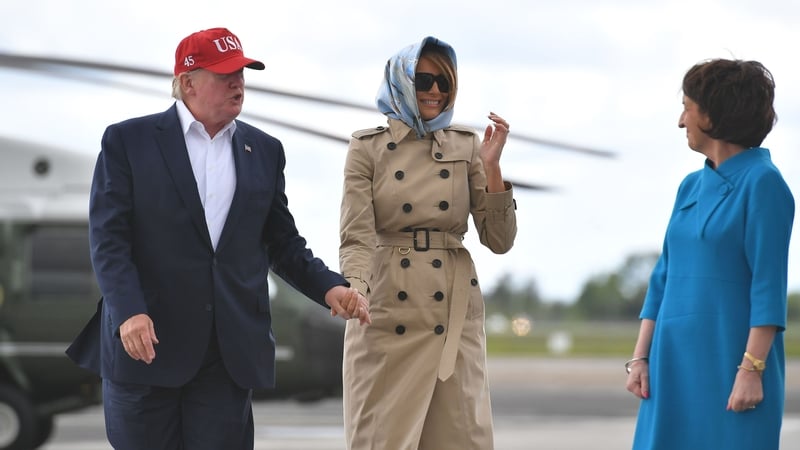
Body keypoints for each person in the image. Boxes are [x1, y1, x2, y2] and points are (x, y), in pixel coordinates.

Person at [65, 27, 370, 450]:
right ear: (188, 82)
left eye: (241, 74)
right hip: (146, 346)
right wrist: (129, 310)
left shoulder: (265, 151)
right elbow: (108, 240)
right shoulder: (128, 141)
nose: (238, 83)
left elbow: (282, 242)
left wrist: (329, 287)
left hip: (226, 355)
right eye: (225, 74)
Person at [338, 36, 517, 450]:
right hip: (387, 312)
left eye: (444, 82)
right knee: (381, 439)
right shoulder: (367, 148)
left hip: (452, 315)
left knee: (462, 439)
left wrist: (492, 169)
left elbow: (499, 240)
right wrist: (355, 288)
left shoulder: (468, 145)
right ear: (401, 82)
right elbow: (356, 235)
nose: (435, 91)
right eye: (423, 81)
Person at [626, 58, 794, 449]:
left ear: (713, 114)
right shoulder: (689, 186)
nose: (680, 120)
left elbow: (768, 286)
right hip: (671, 365)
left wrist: (751, 369)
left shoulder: (764, 183)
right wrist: (640, 357)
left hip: (731, 363)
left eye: (687, 107)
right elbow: (662, 278)